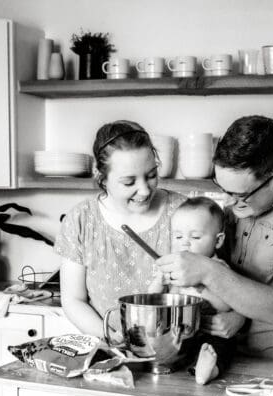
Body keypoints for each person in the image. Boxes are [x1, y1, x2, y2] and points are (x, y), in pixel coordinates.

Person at [155, 115, 273, 361]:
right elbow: (232, 274)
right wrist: (239, 314)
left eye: (239, 195)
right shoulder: (244, 197)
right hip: (228, 353)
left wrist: (208, 271)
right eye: (223, 189)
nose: (229, 202)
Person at [56, 120, 185, 336]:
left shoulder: (181, 211)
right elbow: (72, 300)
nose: (144, 190)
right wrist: (112, 338)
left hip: (176, 348)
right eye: (128, 182)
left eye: (152, 175)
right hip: (109, 350)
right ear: (101, 176)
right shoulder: (81, 219)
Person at [147, 196, 235, 384]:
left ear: (218, 241)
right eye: (178, 237)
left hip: (208, 331)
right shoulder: (173, 265)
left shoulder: (219, 268)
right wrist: (159, 280)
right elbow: (152, 299)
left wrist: (199, 284)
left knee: (222, 347)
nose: (184, 243)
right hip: (179, 331)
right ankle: (166, 362)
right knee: (163, 342)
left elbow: (226, 305)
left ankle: (208, 370)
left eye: (195, 237)